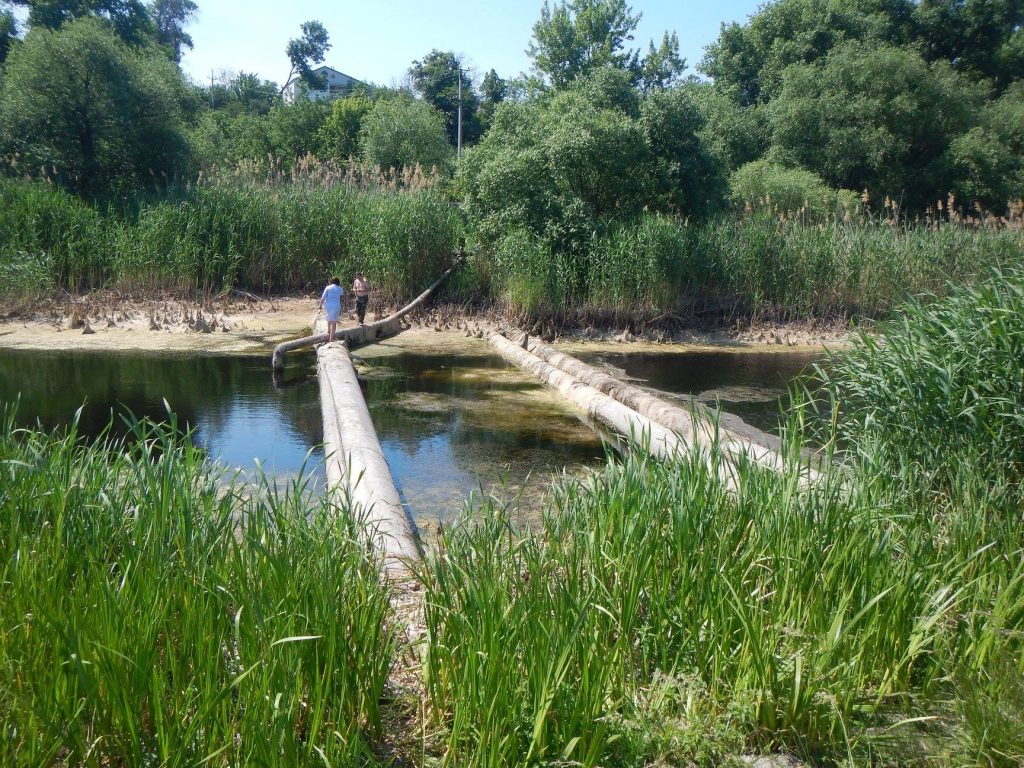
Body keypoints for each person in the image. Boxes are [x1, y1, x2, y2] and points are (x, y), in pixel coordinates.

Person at [319, 277, 344, 343]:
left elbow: (323, 298)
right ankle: (331, 339)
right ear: (338, 282)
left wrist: (320, 306)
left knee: (329, 318)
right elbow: (341, 294)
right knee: (334, 322)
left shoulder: (328, 287)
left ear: (331, 281)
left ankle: (328, 331)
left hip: (327, 305)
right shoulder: (340, 289)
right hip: (336, 306)